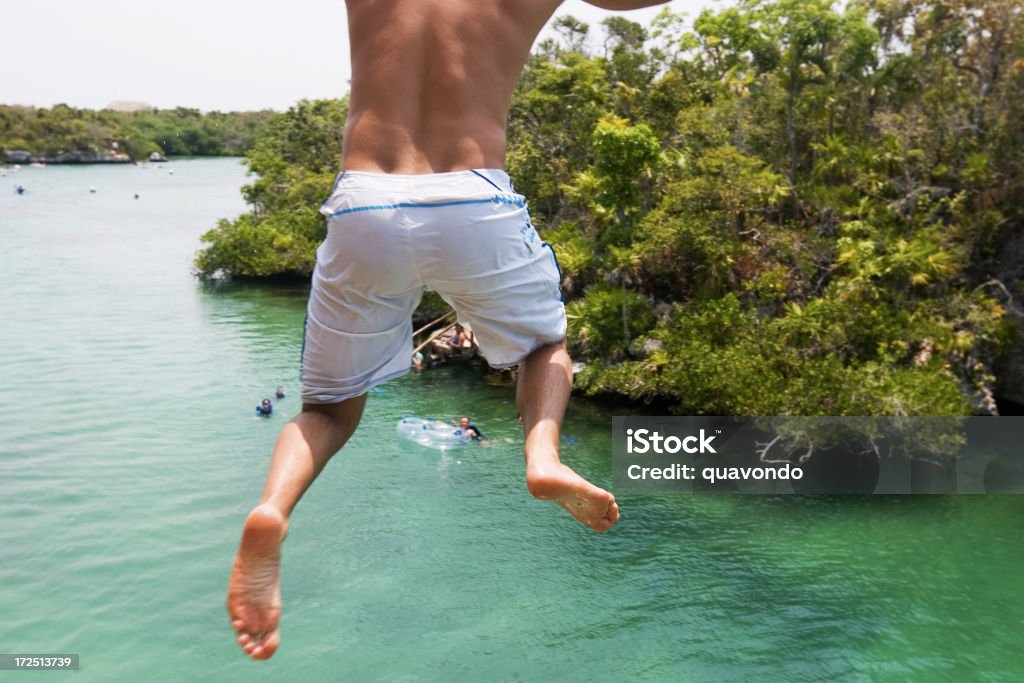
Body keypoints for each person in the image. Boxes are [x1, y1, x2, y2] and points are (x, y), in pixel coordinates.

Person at [228, 0, 665, 661]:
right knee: (543, 346)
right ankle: (541, 456)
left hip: (365, 199)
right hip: (473, 199)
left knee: (325, 408)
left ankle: (275, 508)